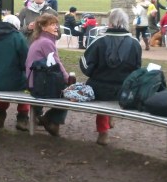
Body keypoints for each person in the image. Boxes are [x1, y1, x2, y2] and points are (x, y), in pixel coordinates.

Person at [79, 8, 142, 145]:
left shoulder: (99, 41)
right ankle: (109, 119)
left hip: (99, 89)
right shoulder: (135, 43)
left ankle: (103, 132)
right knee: (110, 89)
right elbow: (137, 69)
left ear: (110, 23)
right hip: (123, 90)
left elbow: (85, 65)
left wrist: (94, 74)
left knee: (98, 86)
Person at [25, 13, 68, 136]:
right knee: (68, 92)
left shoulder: (39, 39)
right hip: (37, 84)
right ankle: (50, 119)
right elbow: (56, 64)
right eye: (52, 24)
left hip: (34, 81)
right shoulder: (46, 42)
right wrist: (67, 78)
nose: (56, 27)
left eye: (56, 24)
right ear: (43, 27)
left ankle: (45, 119)